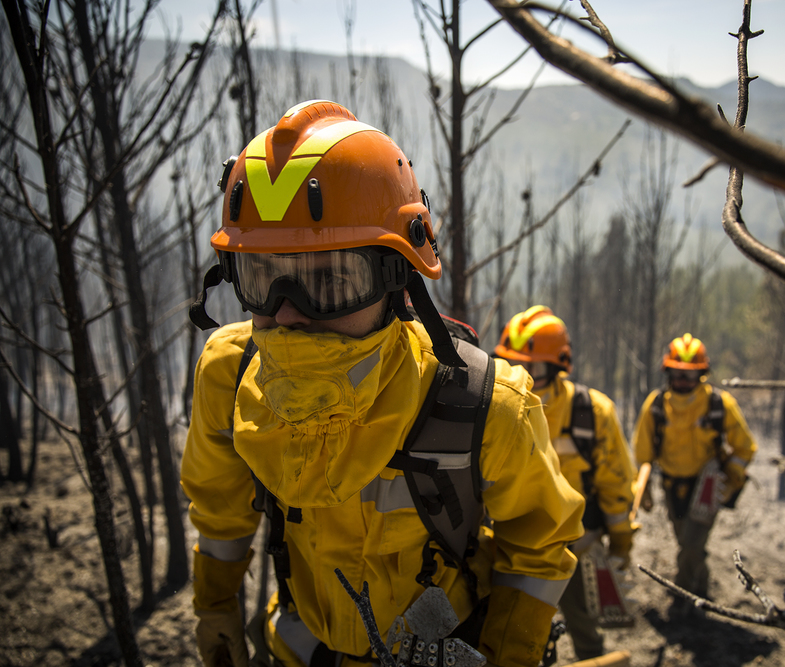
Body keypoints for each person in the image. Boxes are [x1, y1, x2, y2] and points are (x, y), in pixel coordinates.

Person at [181, 100, 585, 667]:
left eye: (330, 280)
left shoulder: (484, 406)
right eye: (264, 279)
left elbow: (538, 546)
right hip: (303, 649)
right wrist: (217, 609)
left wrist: (508, 654)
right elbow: (221, 513)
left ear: (399, 279)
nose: (290, 314)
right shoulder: (230, 377)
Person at [493, 306, 635, 661]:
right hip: (510, 551)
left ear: (559, 366)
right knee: (512, 637)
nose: (523, 377)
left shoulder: (592, 413)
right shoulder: (495, 409)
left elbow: (616, 483)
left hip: (578, 548)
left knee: (584, 622)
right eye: (515, 365)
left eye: (534, 368)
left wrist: (621, 538)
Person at [632, 333, 756, 617]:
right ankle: (701, 584)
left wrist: (732, 477)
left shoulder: (718, 404)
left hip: (708, 485)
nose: (683, 381)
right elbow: (643, 453)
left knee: (690, 546)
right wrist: (644, 489)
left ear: (702, 374)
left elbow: (745, 447)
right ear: (668, 372)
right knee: (686, 543)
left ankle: (685, 596)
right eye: (677, 374)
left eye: (690, 375)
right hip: (672, 486)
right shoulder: (655, 405)